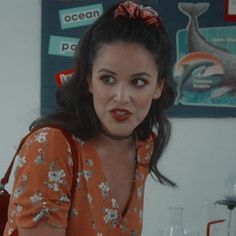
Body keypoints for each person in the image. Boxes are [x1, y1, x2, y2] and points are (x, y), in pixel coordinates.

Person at [4, 1, 177, 235]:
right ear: (89, 81)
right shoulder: (51, 146)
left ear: (158, 87)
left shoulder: (144, 145)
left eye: (138, 82)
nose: (121, 97)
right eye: (107, 79)